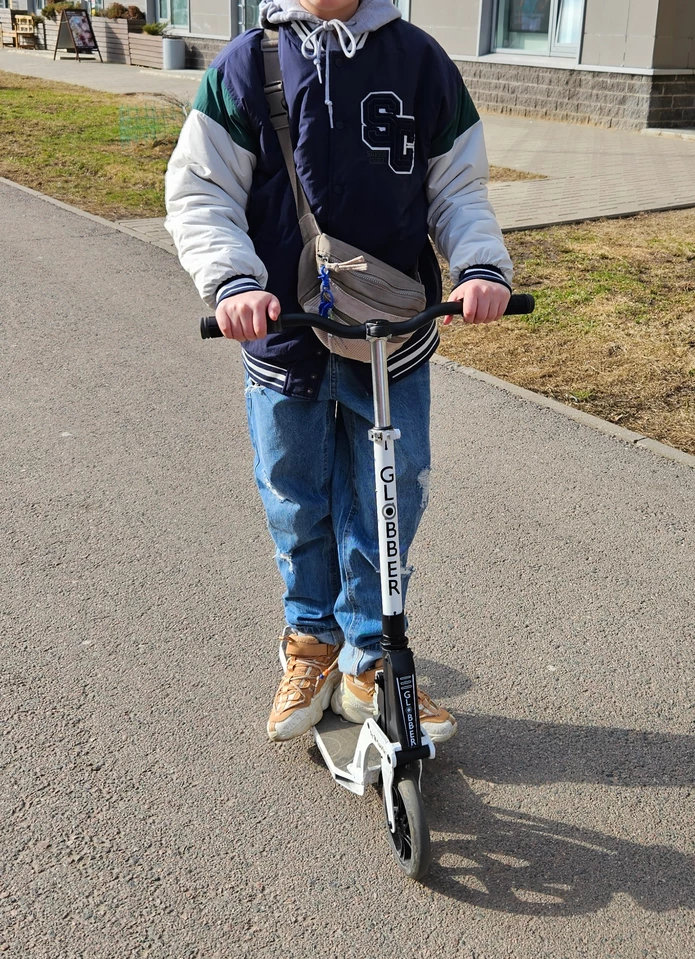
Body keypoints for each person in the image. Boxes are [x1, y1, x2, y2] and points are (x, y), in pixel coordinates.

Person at [165, 0, 514, 745]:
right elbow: (202, 191)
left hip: (389, 335)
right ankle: (312, 644)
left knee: (389, 493)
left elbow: (458, 188)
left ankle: (370, 658)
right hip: (283, 334)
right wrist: (232, 282)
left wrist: (480, 266)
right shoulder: (245, 64)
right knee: (294, 497)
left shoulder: (419, 61)